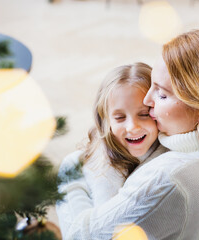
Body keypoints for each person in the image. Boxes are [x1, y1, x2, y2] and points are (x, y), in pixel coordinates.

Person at [56, 29, 199, 240]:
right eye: (152, 85)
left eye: (161, 95)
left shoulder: (166, 180)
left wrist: (69, 173)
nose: (148, 100)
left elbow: (80, 236)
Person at [56, 62, 167, 237]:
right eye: (120, 117)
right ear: (106, 121)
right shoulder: (102, 165)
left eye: (144, 114)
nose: (132, 127)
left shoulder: (167, 156)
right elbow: (103, 230)